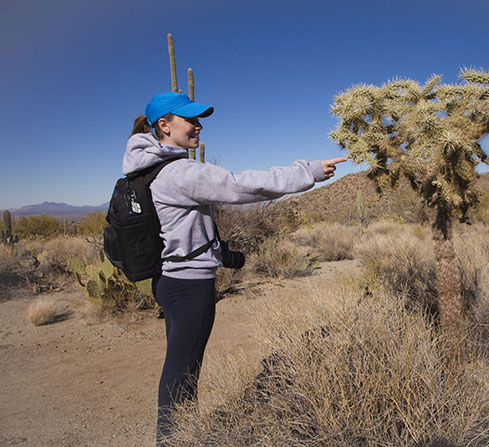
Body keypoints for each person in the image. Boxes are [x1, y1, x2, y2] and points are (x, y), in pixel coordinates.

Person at [122, 92, 346, 446]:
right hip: (189, 285)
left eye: (199, 119)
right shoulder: (178, 172)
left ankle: (176, 436)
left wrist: (223, 254)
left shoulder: (146, 168)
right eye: (189, 120)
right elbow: (242, 185)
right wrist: (309, 172)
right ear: (164, 126)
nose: (198, 126)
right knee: (183, 373)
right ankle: (174, 440)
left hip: (167, 279)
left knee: (180, 366)